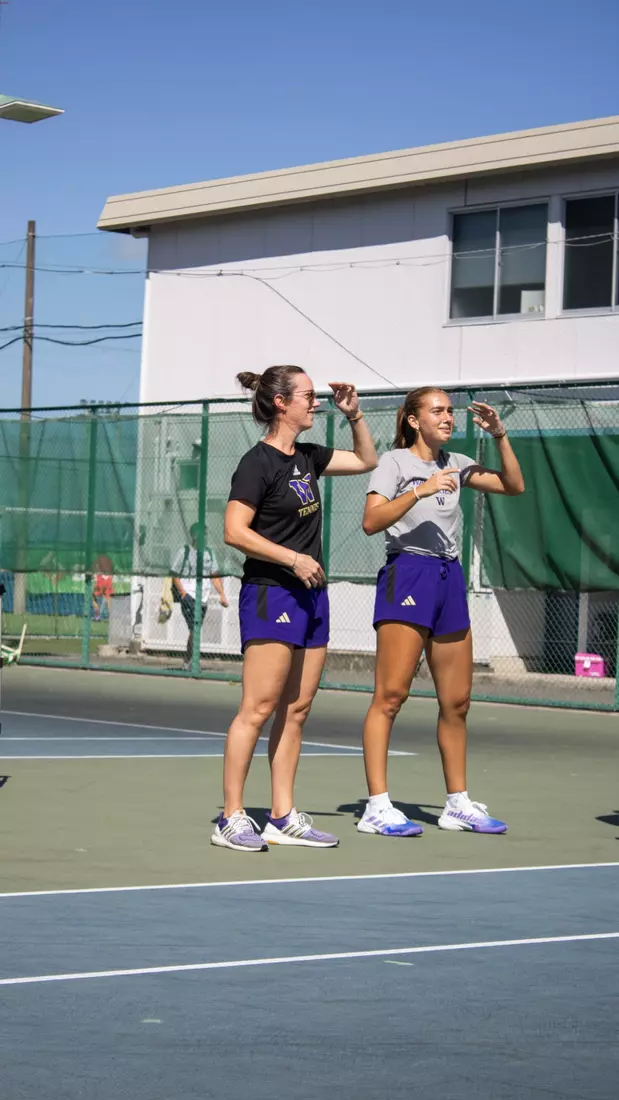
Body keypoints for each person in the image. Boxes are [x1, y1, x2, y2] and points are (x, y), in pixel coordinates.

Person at [211, 365, 377, 852]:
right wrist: (293, 558)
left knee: (297, 709)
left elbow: (367, 460)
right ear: (281, 403)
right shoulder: (255, 463)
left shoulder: (308, 456)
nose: (316, 402)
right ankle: (231, 817)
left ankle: (282, 816)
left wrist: (356, 416)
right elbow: (234, 531)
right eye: (308, 395)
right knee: (258, 708)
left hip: (311, 595)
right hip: (272, 593)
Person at [358, 388, 525, 837]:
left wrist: (501, 434)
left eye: (450, 411)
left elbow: (513, 485)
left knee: (457, 701)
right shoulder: (394, 463)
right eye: (438, 410)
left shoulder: (457, 461)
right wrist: (422, 490)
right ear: (414, 420)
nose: (448, 417)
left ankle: (456, 804)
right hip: (408, 573)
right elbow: (371, 522)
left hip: (448, 579)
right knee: (391, 696)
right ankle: (376, 806)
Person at [171, 523, 228, 669]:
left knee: (195, 630)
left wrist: (222, 594)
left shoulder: (209, 552)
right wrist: (183, 593)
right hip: (189, 596)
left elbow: (214, 575)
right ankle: (191, 662)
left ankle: (188, 660)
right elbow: (174, 574)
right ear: (195, 536)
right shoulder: (184, 551)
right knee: (194, 630)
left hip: (203, 597)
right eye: (203, 534)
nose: (206, 537)